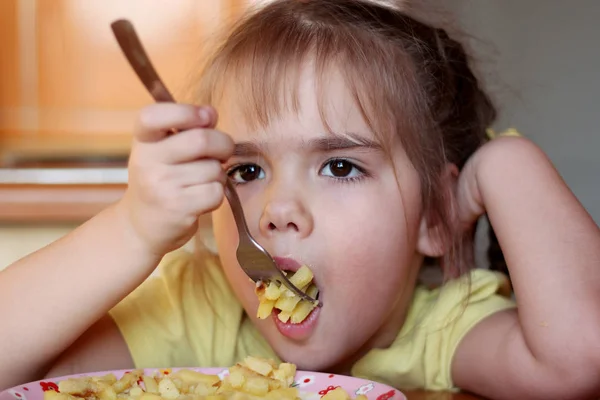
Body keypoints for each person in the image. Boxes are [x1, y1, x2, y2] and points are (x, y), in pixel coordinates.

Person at [1, 1, 599, 398]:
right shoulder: (201, 310)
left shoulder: (439, 330)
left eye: (340, 166)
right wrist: (131, 231)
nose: (277, 208)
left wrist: (505, 161)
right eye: (247, 168)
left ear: (433, 218)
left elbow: (582, 360)